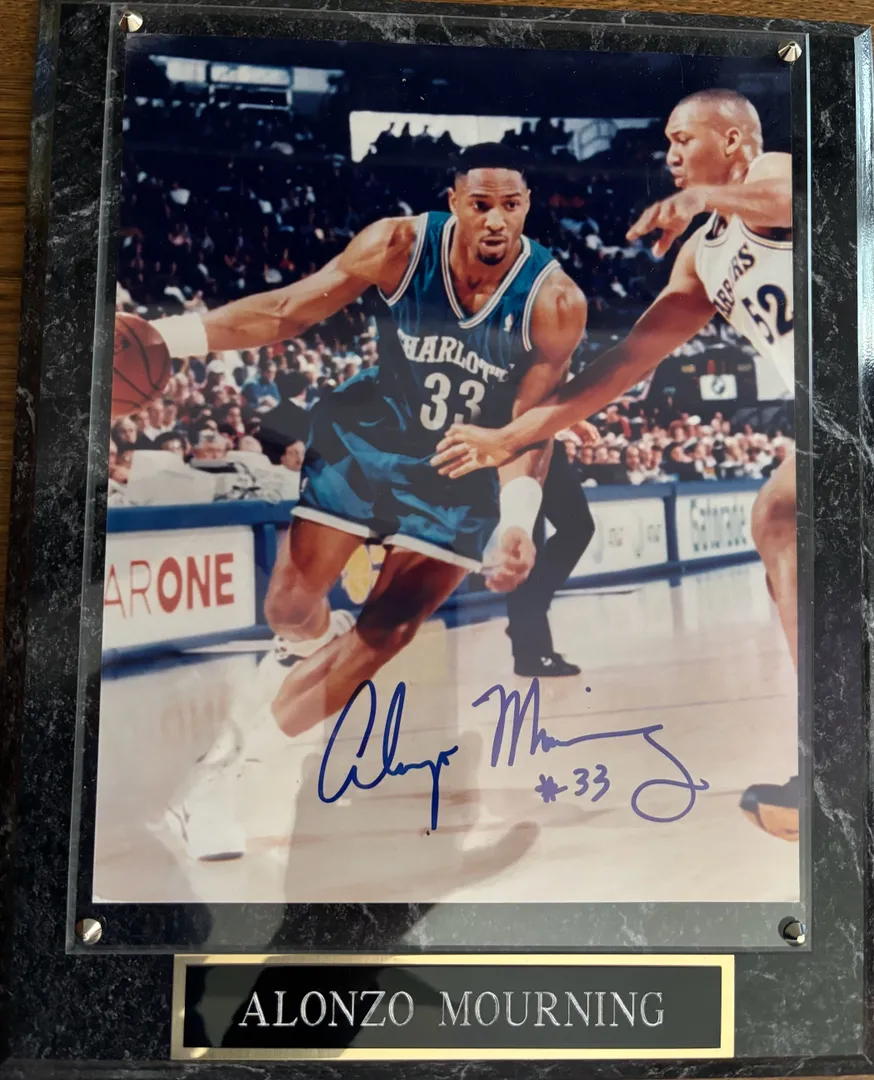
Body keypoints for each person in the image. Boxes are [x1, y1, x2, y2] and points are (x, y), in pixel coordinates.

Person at [121, 143, 587, 859]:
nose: (497, 220)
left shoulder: (554, 301)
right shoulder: (398, 245)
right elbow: (286, 312)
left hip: (459, 467)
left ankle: (223, 781)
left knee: (386, 633)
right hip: (367, 437)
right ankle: (309, 653)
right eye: (481, 204)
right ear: (455, 202)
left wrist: (518, 520)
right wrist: (164, 337)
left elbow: (530, 425)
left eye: (512, 205)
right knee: (287, 610)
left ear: (528, 206)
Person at [432, 89, 798, 842]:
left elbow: (807, 196)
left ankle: (837, 752)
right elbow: (628, 362)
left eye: (684, 138)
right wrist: (513, 435)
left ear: (734, 139)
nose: (670, 153)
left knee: (782, 519)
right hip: (838, 420)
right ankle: (835, 748)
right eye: (668, 142)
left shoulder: (771, 177)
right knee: (780, 523)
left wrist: (702, 195)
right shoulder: (703, 254)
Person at [506, 432, 596, 677]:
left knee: (578, 526)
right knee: (528, 541)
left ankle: (524, 621)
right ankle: (530, 651)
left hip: (546, 438)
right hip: (516, 443)